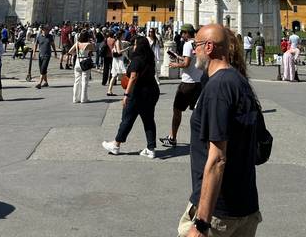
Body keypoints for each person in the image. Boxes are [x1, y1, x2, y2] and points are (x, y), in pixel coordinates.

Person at [177, 24, 262, 237]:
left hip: (218, 213)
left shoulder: (218, 88)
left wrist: (202, 223)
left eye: (195, 45)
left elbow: (217, 159)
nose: (193, 50)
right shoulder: (240, 82)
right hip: (245, 206)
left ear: (208, 47)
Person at [102, 36, 160, 158]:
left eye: (134, 44)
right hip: (152, 90)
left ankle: (116, 144)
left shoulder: (137, 59)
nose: (133, 47)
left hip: (138, 92)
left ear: (138, 46)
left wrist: (126, 94)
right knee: (149, 120)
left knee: (127, 118)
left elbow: (133, 77)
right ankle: (151, 148)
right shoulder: (150, 58)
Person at [160, 24, 202, 148]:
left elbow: (187, 64)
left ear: (186, 33)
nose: (181, 35)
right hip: (199, 82)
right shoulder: (199, 44)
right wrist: (178, 57)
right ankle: (202, 138)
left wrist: (175, 65)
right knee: (198, 111)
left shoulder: (188, 44)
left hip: (187, 83)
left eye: (183, 33)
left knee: (177, 110)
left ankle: (172, 137)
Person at [69, 29, 94, 103]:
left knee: (76, 81)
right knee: (84, 81)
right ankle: (84, 98)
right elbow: (94, 49)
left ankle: (75, 99)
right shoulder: (88, 44)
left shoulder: (77, 43)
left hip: (78, 61)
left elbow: (70, 51)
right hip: (85, 62)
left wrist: (76, 54)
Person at [106, 31, 125, 96]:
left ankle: (109, 91)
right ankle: (128, 90)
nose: (124, 36)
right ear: (121, 35)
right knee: (124, 74)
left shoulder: (117, 41)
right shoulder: (118, 42)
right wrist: (127, 49)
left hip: (116, 59)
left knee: (114, 75)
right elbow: (119, 52)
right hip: (119, 60)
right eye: (123, 35)